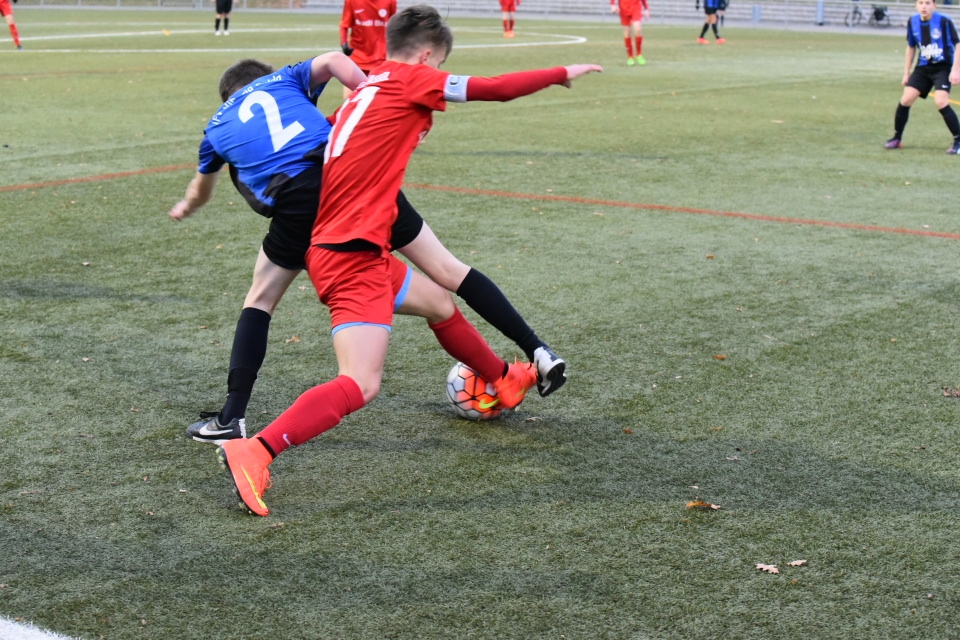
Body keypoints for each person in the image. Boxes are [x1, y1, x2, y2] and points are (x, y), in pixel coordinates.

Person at [216, 4, 601, 517]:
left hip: (355, 245)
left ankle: (504, 379)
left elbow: (331, 141)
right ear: (425, 56)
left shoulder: (365, 91)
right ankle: (257, 451)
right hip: (350, 258)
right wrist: (560, 72)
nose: (438, 74)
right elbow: (495, 87)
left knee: (439, 302)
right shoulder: (408, 80)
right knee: (360, 383)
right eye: (438, 64)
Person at [170, 54, 568, 444]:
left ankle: (232, 418)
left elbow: (201, 190)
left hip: (299, 208)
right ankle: (533, 350)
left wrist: (187, 205)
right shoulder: (284, 79)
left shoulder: (216, 127)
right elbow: (332, 60)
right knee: (446, 274)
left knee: (260, 300)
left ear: (227, 97)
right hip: (357, 182)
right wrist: (368, 95)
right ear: (263, 77)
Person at [884, 0, 960, 153]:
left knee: (941, 101)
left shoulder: (944, 21)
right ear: (916, 5)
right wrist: (906, 73)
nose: (924, 6)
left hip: (943, 67)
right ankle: (897, 138)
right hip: (923, 68)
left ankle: (958, 141)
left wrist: (955, 70)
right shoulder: (912, 22)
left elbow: (958, 44)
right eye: (921, 3)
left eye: (928, 3)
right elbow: (911, 47)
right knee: (906, 99)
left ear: (934, 5)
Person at [340, 0, 396, 97]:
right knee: (349, 99)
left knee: (379, 99)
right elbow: (344, 25)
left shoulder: (390, 1)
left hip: (380, 60)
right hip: (357, 58)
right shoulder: (352, 1)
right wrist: (344, 43)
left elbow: (394, 27)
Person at [610, 0, 650, 66]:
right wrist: (612, 4)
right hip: (623, 8)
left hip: (636, 7)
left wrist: (646, 8)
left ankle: (639, 54)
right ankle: (630, 57)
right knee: (627, 31)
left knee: (638, 29)